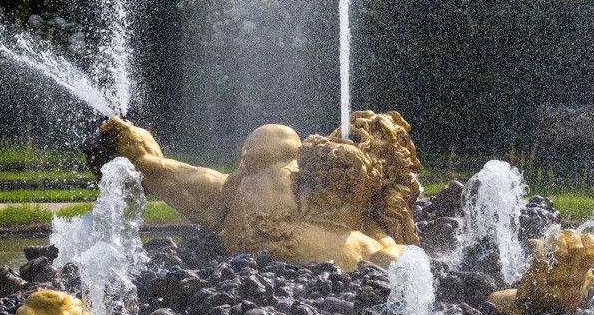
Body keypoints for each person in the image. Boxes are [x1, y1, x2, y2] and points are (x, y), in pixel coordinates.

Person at [98, 110, 422, 271]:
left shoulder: (378, 247)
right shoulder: (282, 160)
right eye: (352, 133)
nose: (352, 141)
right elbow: (216, 199)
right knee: (273, 139)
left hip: (275, 260)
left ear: (382, 180)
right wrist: (146, 163)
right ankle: (141, 161)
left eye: (366, 143)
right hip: (249, 241)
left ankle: (143, 161)